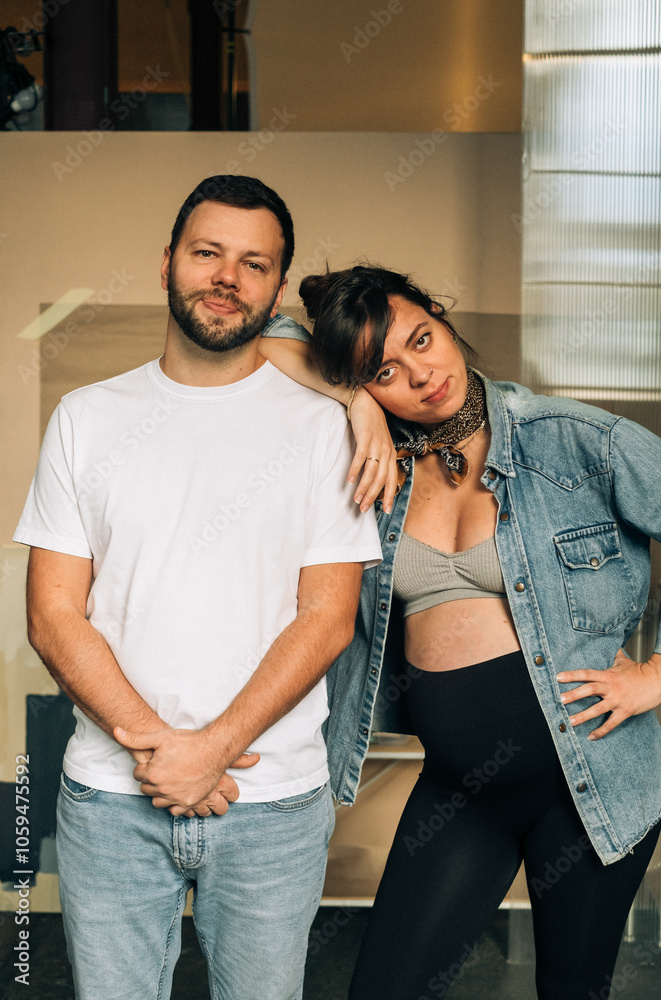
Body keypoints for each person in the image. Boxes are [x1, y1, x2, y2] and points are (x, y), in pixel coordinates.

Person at [13, 177, 382, 1000]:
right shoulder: (86, 415)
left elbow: (326, 621)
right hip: (111, 802)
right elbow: (51, 615)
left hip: (274, 805)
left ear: (278, 289)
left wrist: (210, 750)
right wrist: (161, 751)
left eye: (254, 263)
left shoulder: (323, 428)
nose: (227, 277)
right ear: (166, 264)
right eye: (206, 252)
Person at [282, 263, 661, 1000]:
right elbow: (259, 337)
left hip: (590, 781)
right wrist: (352, 403)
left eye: (422, 339)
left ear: (441, 316)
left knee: (572, 991)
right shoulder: (373, 464)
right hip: (461, 794)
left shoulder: (576, 441)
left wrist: (653, 678)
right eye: (383, 370)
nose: (420, 375)